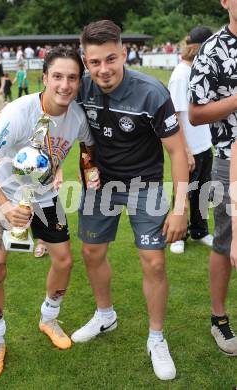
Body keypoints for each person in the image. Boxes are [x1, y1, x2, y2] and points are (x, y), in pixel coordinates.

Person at [71, 20, 189, 381]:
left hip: (144, 184)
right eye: (94, 62)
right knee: (91, 252)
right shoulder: (81, 87)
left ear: (124, 53)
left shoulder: (151, 92)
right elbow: (47, 110)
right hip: (99, 185)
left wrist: (180, 208)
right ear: (85, 61)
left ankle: (156, 338)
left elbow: (178, 151)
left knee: (153, 262)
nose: (103, 69)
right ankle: (105, 315)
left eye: (111, 58)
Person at [0, 47, 98, 380]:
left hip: (45, 197)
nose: (65, 84)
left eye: (72, 77)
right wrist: (6, 207)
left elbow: (88, 149)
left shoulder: (77, 119)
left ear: (78, 82)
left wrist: (91, 169)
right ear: (44, 78)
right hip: (3, 197)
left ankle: (48, 318)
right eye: (57, 76)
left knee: (64, 260)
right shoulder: (18, 112)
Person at [189, 0, 237, 356]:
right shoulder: (213, 49)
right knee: (226, 241)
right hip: (228, 160)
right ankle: (219, 318)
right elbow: (195, 113)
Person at [168, 26, 214, 254]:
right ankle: (179, 235)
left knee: (202, 191)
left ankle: (200, 230)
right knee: (184, 191)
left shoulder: (199, 70)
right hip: (189, 148)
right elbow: (174, 117)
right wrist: (184, 152)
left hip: (205, 144)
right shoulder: (180, 75)